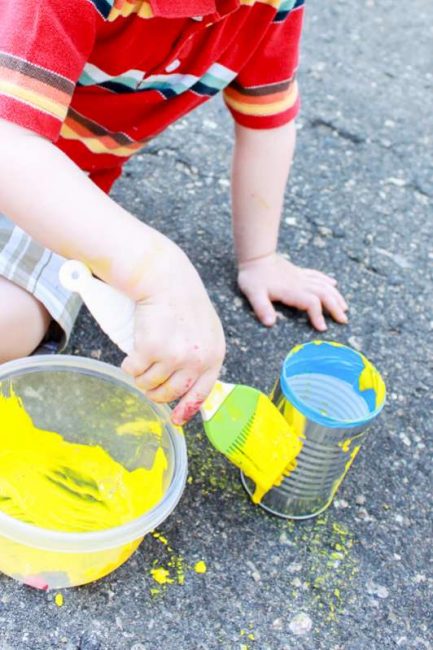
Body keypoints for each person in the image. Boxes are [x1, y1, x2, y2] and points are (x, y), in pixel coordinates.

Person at [0, 0, 348, 425]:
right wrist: (155, 268)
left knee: (10, 325)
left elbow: (267, 118)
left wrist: (261, 258)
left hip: (63, 178)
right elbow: (9, 145)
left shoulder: (270, 6)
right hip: (17, 141)